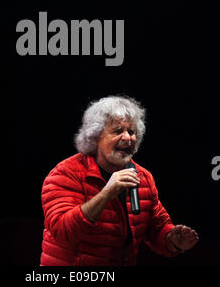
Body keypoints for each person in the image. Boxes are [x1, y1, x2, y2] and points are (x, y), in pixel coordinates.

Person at [40, 96, 199, 266]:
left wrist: (172, 240)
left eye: (131, 132)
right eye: (117, 131)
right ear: (95, 136)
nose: (128, 137)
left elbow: (156, 229)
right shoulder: (66, 173)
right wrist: (107, 193)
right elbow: (63, 233)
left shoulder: (143, 177)